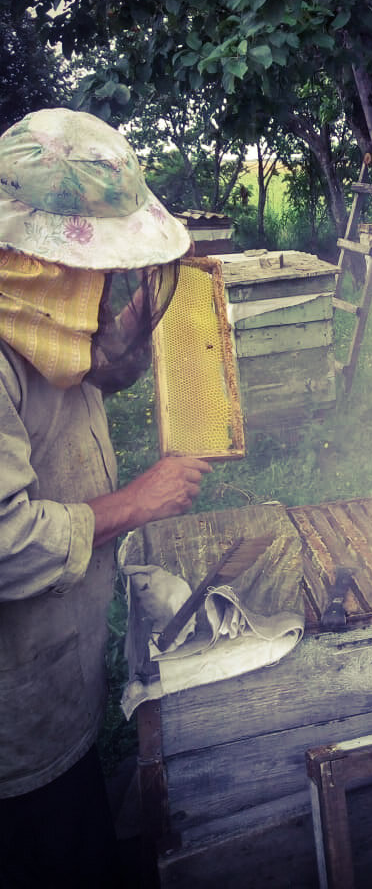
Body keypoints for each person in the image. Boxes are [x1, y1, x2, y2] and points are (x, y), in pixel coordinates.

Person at [0, 108, 213, 887]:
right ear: (38, 261)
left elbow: (54, 377)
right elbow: (5, 542)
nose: (105, 279)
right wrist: (137, 501)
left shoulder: (21, 311)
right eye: (93, 264)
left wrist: (109, 361)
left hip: (54, 675)